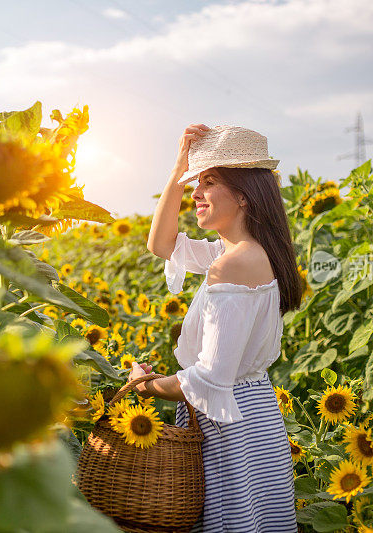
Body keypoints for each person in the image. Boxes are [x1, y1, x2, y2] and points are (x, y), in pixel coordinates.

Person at [128, 124, 303, 532]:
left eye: (209, 181)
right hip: (254, 417)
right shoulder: (245, 253)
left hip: (228, 428)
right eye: (195, 182)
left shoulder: (232, 264)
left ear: (243, 194)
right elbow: (162, 245)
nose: (195, 192)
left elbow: (210, 379)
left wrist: (146, 385)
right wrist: (178, 169)